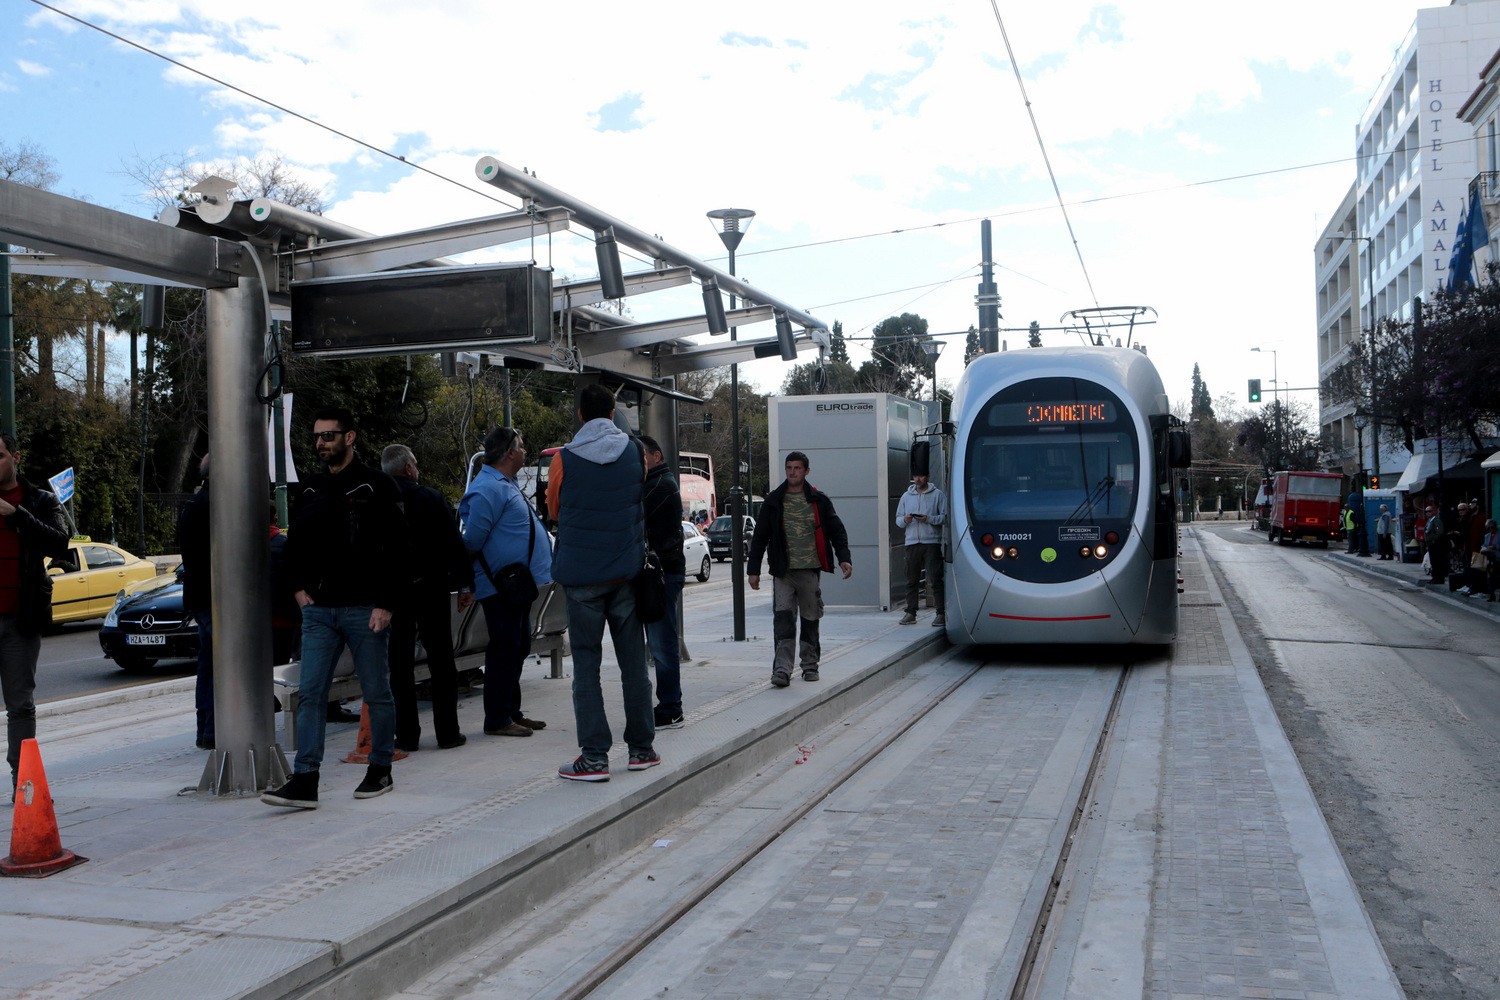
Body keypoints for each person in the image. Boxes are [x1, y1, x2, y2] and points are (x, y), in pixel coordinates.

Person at [263, 407, 409, 809]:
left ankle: (380, 769)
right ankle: (305, 779)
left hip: (367, 609)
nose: (320, 443)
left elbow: (399, 551)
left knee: (377, 692)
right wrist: (297, 591)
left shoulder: (378, 486)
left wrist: (386, 603)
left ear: (350, 437)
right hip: (319, 611)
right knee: (310, 695)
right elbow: (294, 549)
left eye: (328, 436)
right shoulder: (309, 488)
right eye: (316, 437)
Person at [545, 384, 656, 782]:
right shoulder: (634, 452)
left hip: (582, 579)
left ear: (579, 415)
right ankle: (642, 749)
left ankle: (594, 758)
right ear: (613, 413)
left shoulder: (564, 459)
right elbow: (635, 497)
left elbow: (555, 508)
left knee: (587, 668)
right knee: (632, 665)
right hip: (625, 573)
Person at [462, 426, 552, 740]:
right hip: (499, 586)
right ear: (510, 451)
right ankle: (497, 718)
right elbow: (472, 540)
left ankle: (512, 712)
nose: (526, 451)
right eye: (523, 446)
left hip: (517, 586)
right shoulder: (487, 487)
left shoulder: (506, 483)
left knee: (518, 646)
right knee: (504, 649)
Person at [382, 444, 474, 751]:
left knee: (400, 664)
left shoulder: (376, 500)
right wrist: (464, 584)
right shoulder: (431, 498)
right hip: (431, 588)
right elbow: (454, 545)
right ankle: (448, 732)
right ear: (409, 468)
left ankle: (406, 735)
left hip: (394, 592)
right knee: (442, 661)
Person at [0, 432, 70, 797]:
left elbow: (60, 542)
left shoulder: (39, 500)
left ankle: (22, 782)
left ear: (16, 457)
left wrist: (18, 516)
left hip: (19, 619)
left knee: (20, 705)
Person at [747, 451, 853, 688]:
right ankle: (782, 670)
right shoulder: (774, 501)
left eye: (797, 468)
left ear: (806, 471)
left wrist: (844, 558)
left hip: (809, 571)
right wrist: (753, 570)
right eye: (789, 468)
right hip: (783, 572)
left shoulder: (819, 500)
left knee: (810, 619)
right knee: (783, 621)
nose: (792, 472)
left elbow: (837, 531)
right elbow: (760, 537)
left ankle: (810, 666)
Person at [640, 435, 686, 729]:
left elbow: (637, 515)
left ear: (657, 455)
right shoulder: (657, 482)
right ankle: (668, 704)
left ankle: (671, 707)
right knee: (660, 638)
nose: (638, 462)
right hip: (662, 572)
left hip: (662, 574)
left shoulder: (659, 485)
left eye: (642, 456)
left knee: (661, 640)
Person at [176, 453, 214, 750]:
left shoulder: (195, 504)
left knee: (208, 663)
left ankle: (207, 730)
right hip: (217, 597)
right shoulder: (218, 503)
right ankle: (213, 730)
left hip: (200, 595)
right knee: (221, 664)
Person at [894, 471, 946, 627]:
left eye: (921, 476)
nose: (918, 479)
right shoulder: (906, 496)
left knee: (936, 578)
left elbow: (944, 517)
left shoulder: (937, 495)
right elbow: (898, 520)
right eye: (916, 476)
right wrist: (906, 519)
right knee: (912, 579)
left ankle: (941, 613)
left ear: (928, 477)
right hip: (911, 543)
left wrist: (928, 519)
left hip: (931, 542)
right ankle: (911, 612)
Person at [1425, 503, 1448, 585]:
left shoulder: (1436, 520)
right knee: (1433, 562)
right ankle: (1435, 577)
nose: (1428, 513)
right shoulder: (1429, 521)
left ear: (1433, 512)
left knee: (1437, 562)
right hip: (1431, 544)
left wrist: (1433, 540)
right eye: (1426, 511)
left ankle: (1439, 578)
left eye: (1429, 511)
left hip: (1436, 544)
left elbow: (1439, 533)